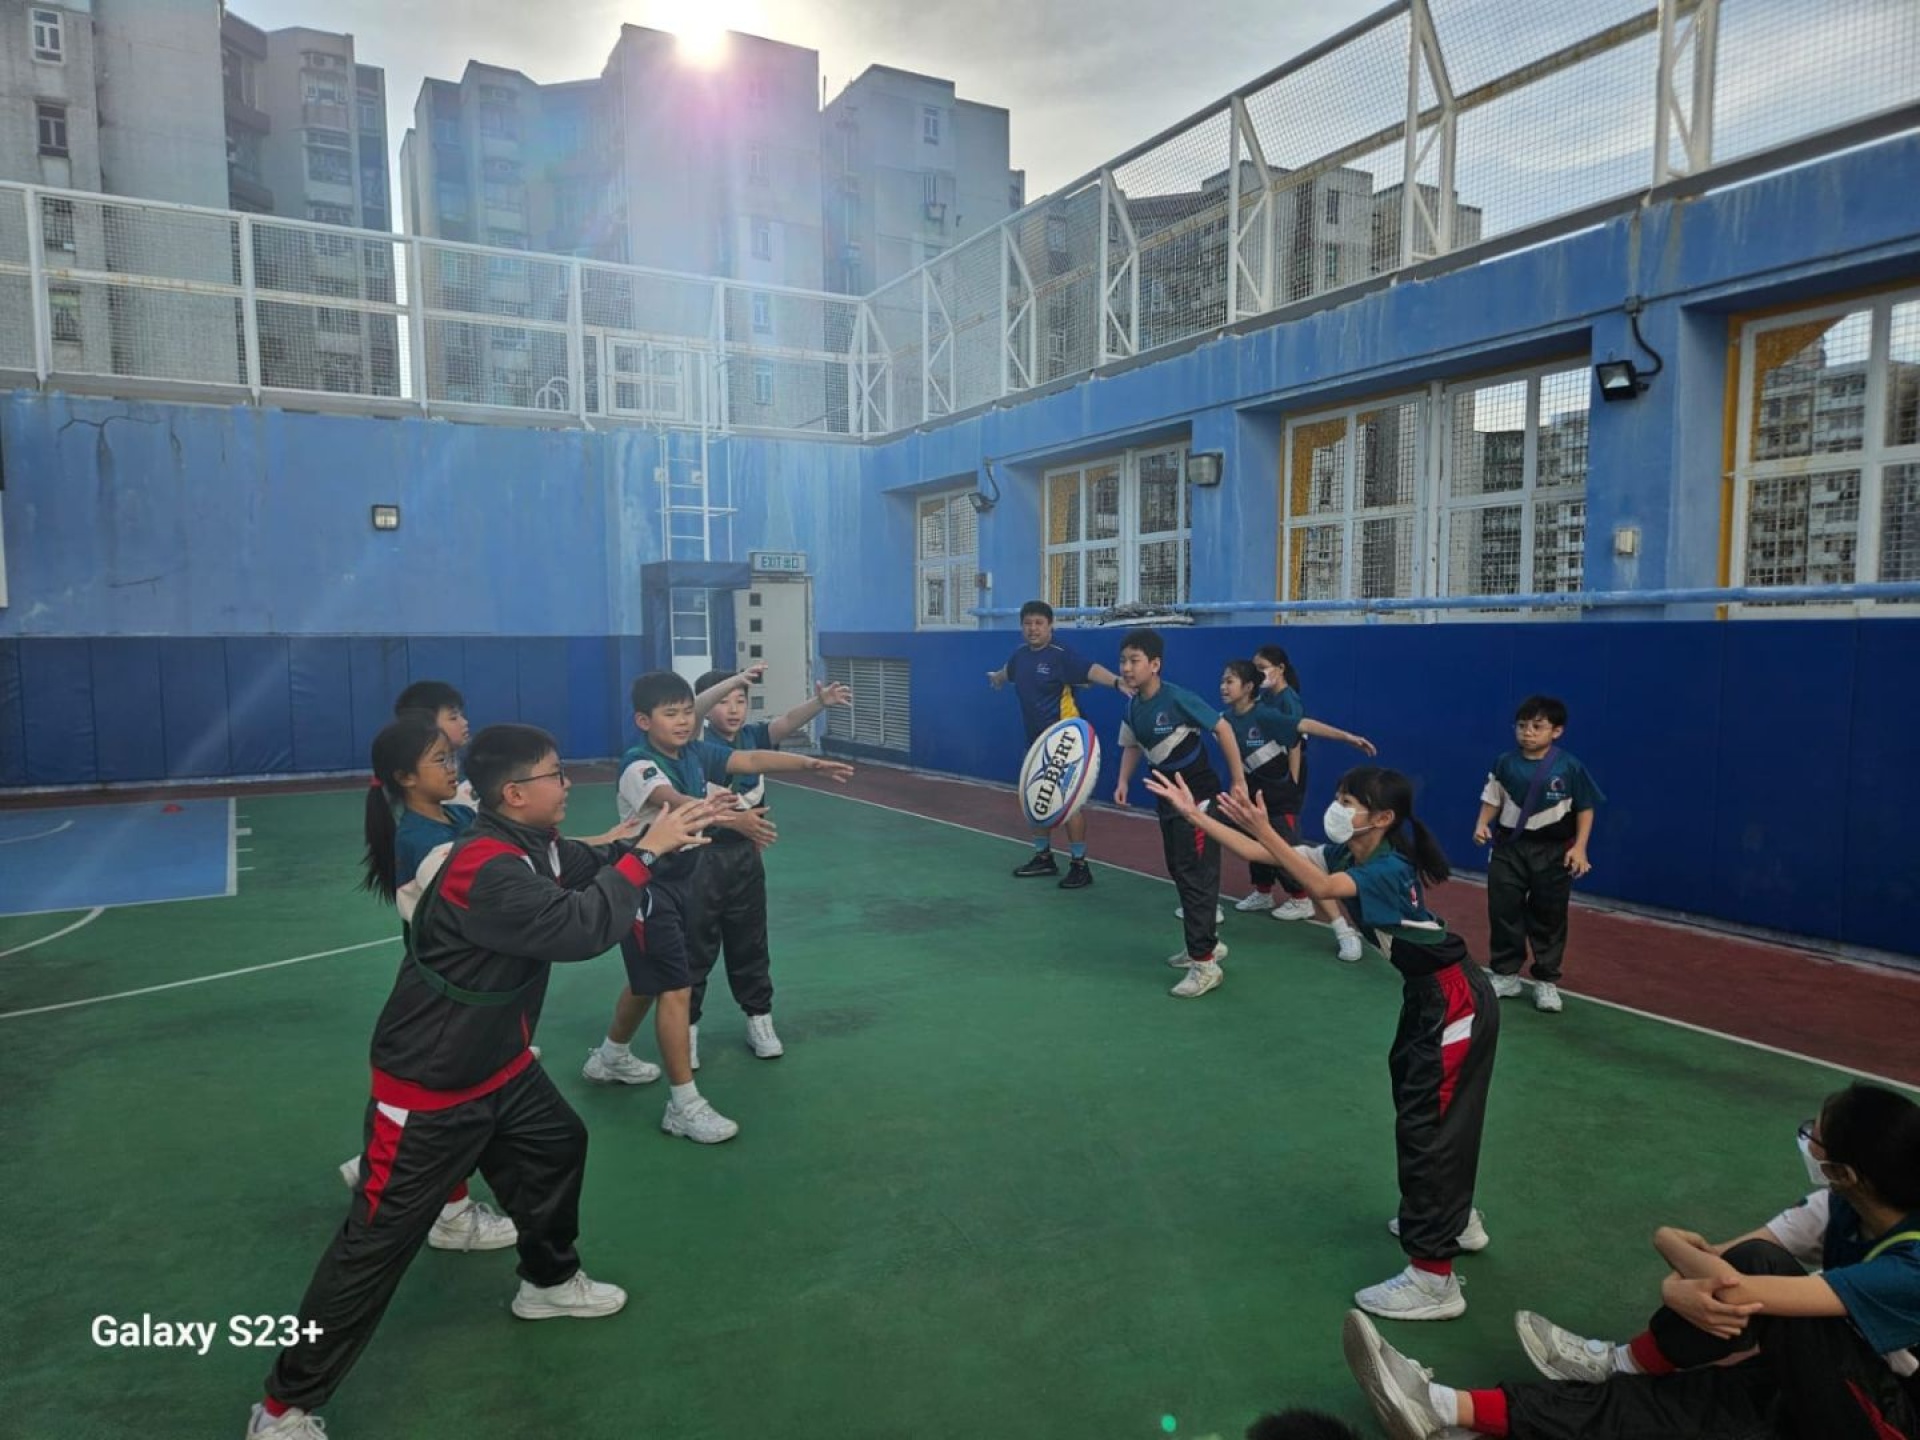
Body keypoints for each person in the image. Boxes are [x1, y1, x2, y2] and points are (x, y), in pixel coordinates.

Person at [245, 725, 719, 1440]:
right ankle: (283, 1407)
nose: (567, 784)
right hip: (430, 1085)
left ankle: (548, 1282)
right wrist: (646, 853)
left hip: (499, 1064)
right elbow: (579, 928)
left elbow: (590, 864)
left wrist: (665, 835)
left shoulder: (533, 845)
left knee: (557, 1143)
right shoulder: (484, 867)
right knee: (374, 1248)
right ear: (515, 793)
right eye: (556, 774)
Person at [1342, 1082, 1920, 1440]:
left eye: (1814, 1138)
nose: (1806, 1142)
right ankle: (1447, 1409)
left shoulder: (1913, 1264)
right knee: (1678, 1406)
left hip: (1890, 1417)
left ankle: (1620, 1363)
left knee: (1760, 1276)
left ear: (1847, 1172)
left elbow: (1743, 1286)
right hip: (1833, 1376)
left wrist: (1677, 1276)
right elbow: (1720, 1262)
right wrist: (1672, 1249)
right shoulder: (1837, 1207)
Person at [1146, 766, 1497, 1318]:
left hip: (1454, 1001)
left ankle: (1434, 1280)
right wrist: (1196, 816)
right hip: (1429, 996)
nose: (1337, 806)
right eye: (1338, 796)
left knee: (1430, 1125)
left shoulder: (1387, 867)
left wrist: (1265, 828)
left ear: (1382, 818)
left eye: (1349, 801)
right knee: (1425, 1111)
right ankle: (1455, 1219)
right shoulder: (1347, 854)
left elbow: (1323, 890)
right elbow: (1264, 855)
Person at [582, 672, 853, 1141]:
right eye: (671, 713)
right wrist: (735, 819)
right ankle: (683, 1105)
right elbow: (676, 802)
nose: (682, 721)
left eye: (687, 712)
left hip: (682, 879)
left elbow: (751, 757)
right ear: (644, 721)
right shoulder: (639, 764)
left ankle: (609, 1057)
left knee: (648, 982)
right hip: (648, 885)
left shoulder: (694, 752)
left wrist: (809, 764)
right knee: (676, 985)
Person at [341, 715, 517, 1251]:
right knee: (450, 1106)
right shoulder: (423, 841)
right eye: (439, 759)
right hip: (447, 993)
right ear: (405, 777)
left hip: (456, 985)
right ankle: (451, 1215)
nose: (452, 765)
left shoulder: (454, 814)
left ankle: (380, 1164)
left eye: (451, 755)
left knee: (460, 1102)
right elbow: (494, 894)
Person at [681, 665, 854, 1060]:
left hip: (744, 857)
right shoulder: (694, 743)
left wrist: (819, 702)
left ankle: (758, 1017)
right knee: (695, 946)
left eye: (740, 701)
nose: (733, 709)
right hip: (699, 856)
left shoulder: (754, 736)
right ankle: (685, 1028)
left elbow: (787, 722)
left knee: (750, 942)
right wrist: (730, 683)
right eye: (723, 701)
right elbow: (698, 714)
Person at [1113, 628, 1247, 997]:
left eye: (1134, 660)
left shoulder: (1178, 698)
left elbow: (1222, 728)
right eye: (1123, 661)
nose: (1126, 668)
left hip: (1198, 800)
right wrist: (1123, 780)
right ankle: (1204, 945)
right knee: (1180, 870)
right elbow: (1131, 745)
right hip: (1169, 800)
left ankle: (1205, 965)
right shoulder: (1132, 706)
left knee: (1196, 874)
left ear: (1155, 664)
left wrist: (1238, 779)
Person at [1473, 695, 1605, 1015]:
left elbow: (1585, 807)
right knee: (1503, 908)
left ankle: (1546, 980)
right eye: (1522, 726)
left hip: (1553, 852)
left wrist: (1580, 847)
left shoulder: (1569, 767)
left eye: (1537, 726)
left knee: (1549, 914)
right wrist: (1482, 824)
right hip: (1508, 849)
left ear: (1556, 731)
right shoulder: (1504, 763)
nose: (1528, 733)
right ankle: (1506, 975)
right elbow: (1493, 798)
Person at [987, 599, 1130, 890]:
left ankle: (1080, 865)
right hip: (1036, 744)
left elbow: (1091, 670)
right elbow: (1007, 671)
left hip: (1065, 743)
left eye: (1039, 623)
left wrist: (1117, 682)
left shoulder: (1060, 655)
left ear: (1050, 626)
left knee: (1068, 803)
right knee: (1034, 796)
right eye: (1028, 623)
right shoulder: (1020, 656)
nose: (1033, 629)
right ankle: (1043, 857)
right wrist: (998, 679)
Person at [1218, 658, 1375, 920]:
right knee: (1256, 840)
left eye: (1229, 681)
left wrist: (1347, 737)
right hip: (1254, 793)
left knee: (1285, 848)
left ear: (1247, 687)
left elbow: (1304, 725)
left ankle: (1301, 899)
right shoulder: (1224, 720)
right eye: (1222, 681)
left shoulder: (1264, 714)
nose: (1223, 687)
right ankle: (1263, 892)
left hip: (1280, 796)